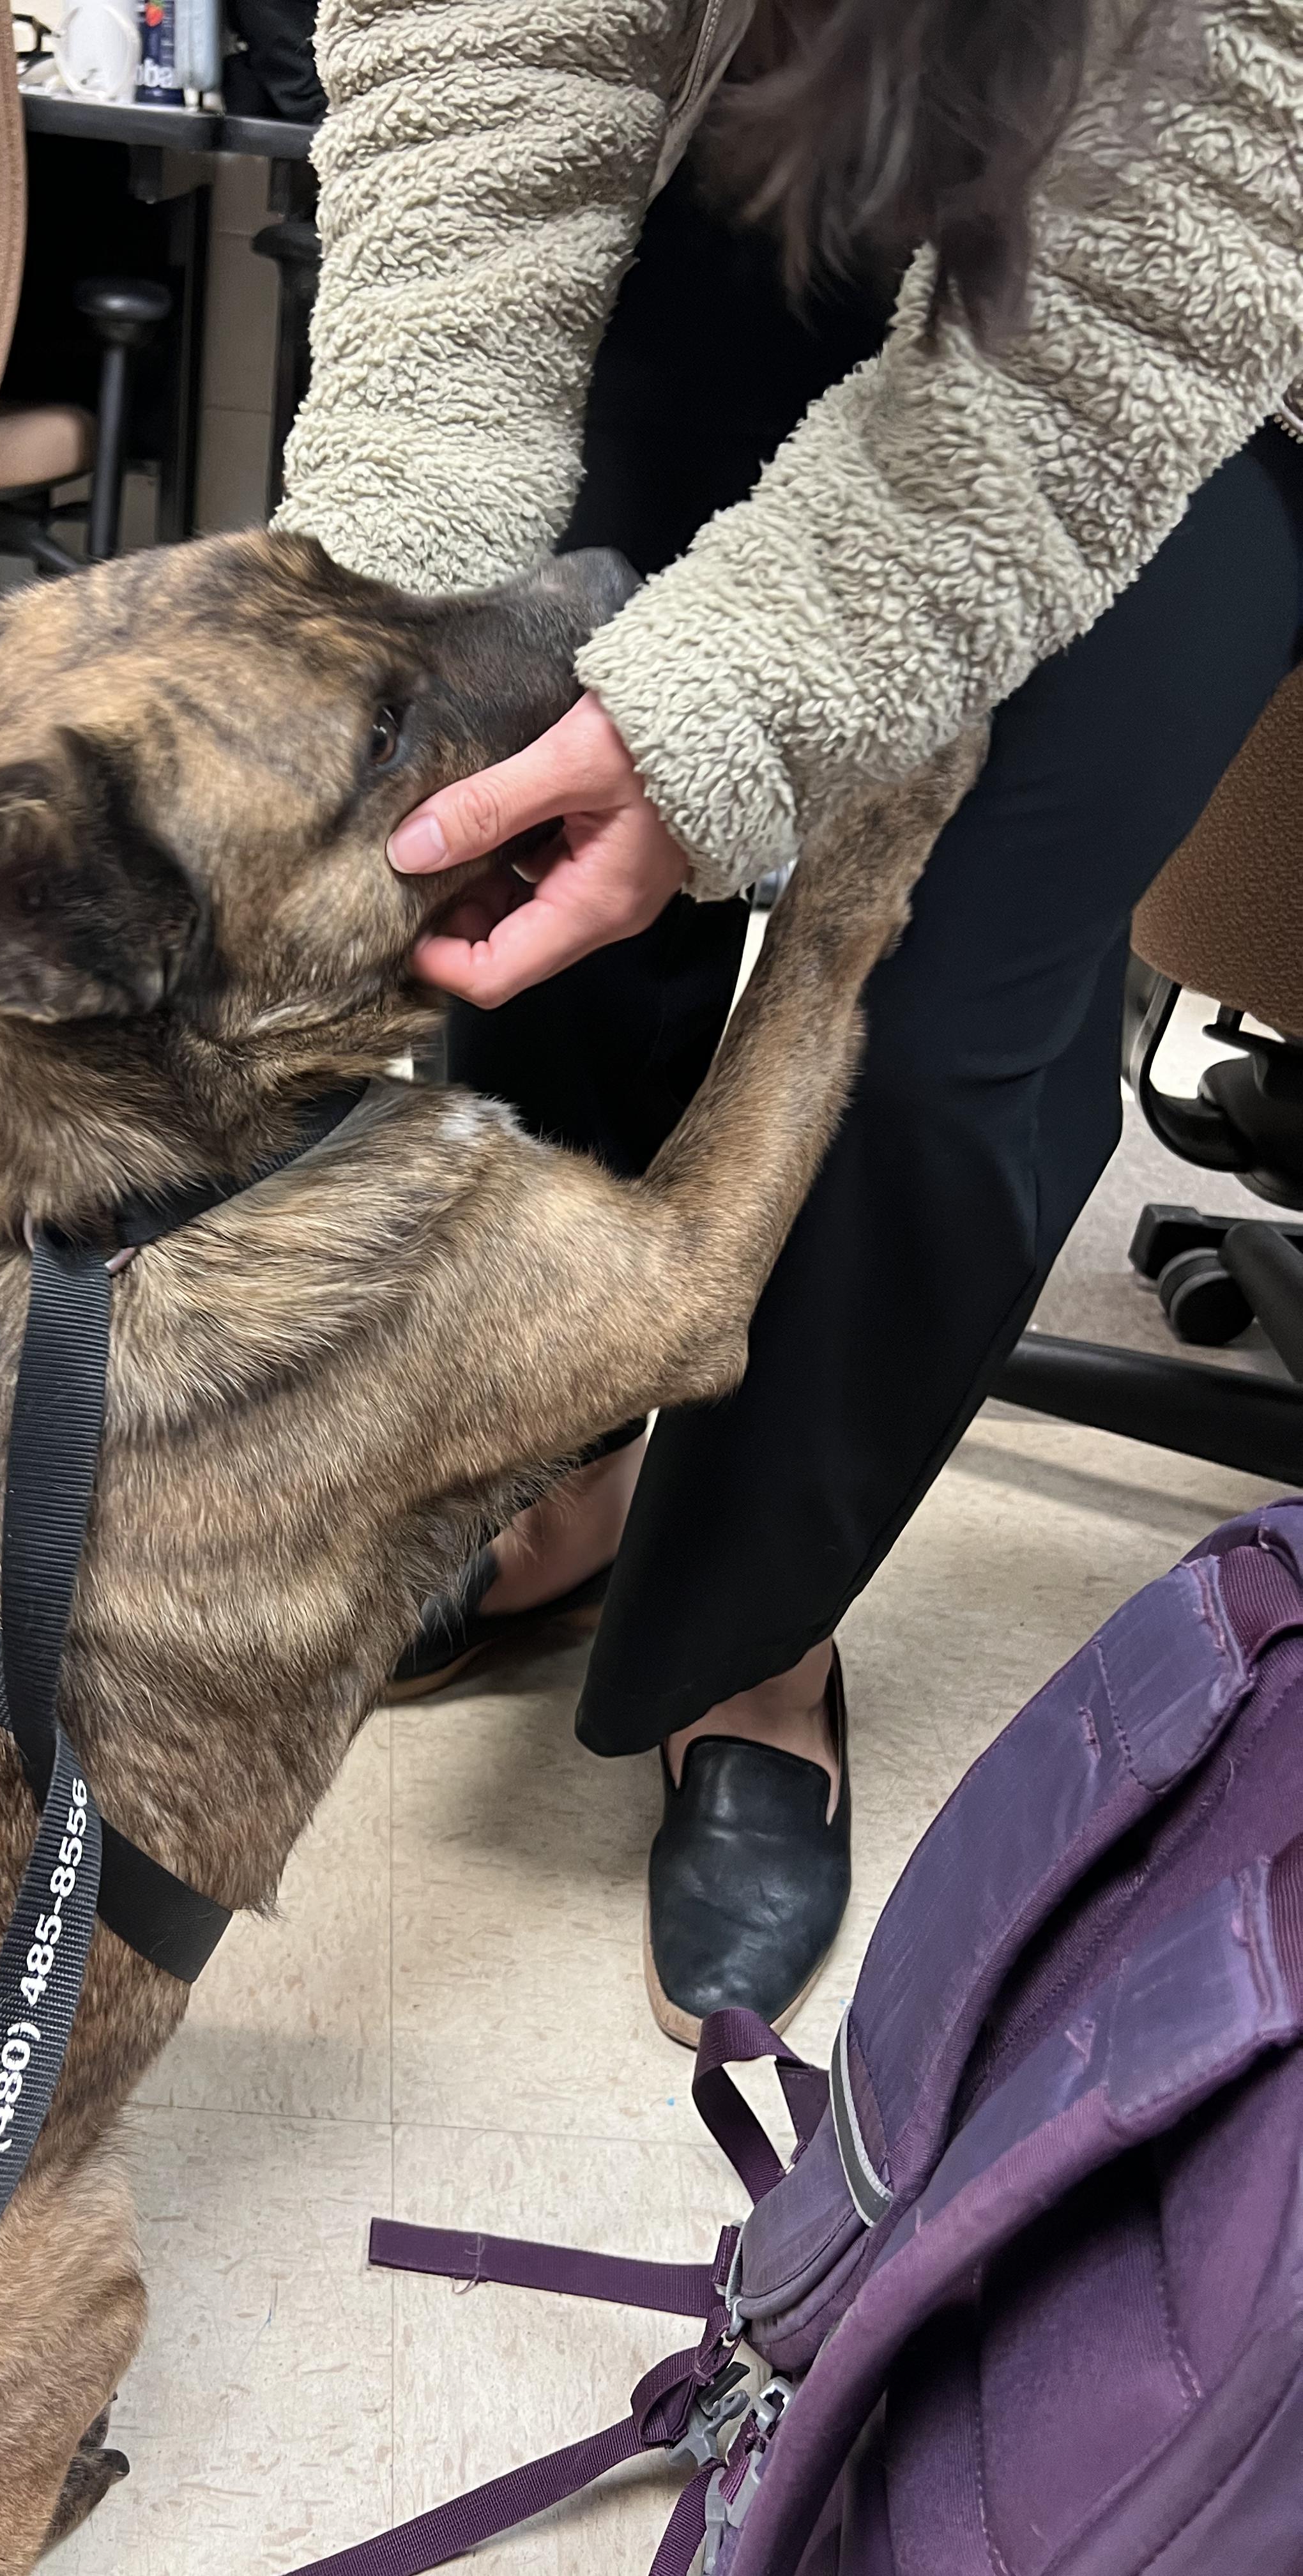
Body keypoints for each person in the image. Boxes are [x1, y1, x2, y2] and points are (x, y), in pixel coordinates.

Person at [274, 0, 1303, 2043]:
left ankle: (755, 1645)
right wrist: (417, 600)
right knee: (520, 868)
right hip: (769, 140)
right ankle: (558, 1477)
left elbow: (1191, 217)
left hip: (1212, 303)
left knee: (940, 1045)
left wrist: (733, 714)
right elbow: (491, 56)